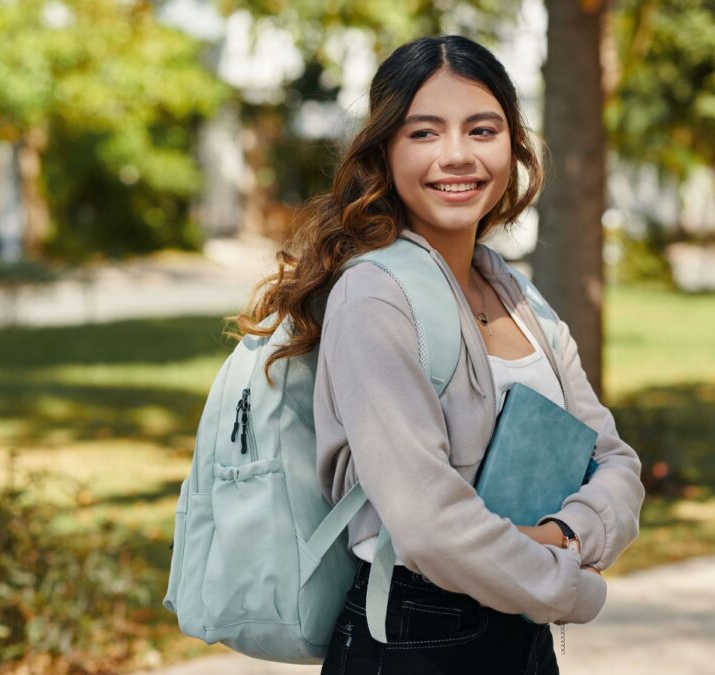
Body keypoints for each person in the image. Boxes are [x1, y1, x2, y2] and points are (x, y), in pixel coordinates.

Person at [236, 34, 644, 674]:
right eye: (423, 133)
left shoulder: (515, 294)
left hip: (520, 631)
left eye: (482, 130)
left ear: (513, 146)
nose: (457, 156)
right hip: (415, 637)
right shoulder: (374, 296)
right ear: (384, 153)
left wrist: (565, 536)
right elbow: (428, 524)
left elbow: (613, 459)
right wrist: (569, 584)